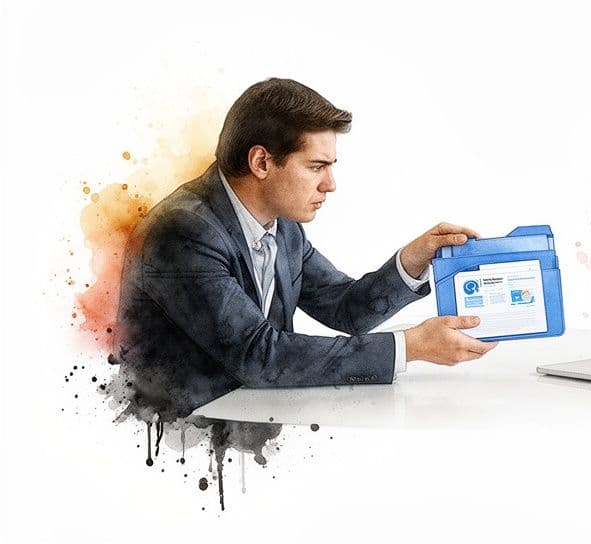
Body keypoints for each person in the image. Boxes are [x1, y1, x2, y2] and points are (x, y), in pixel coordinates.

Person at [114, 78, 496, 420]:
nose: (330, 184)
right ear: (261, 161)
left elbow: (345, 308)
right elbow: (259, 356)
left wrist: (412, 261)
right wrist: (408, 347)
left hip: (245, 424)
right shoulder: (183, 231)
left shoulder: (284, 229)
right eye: (316, 166)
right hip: (171, 438)